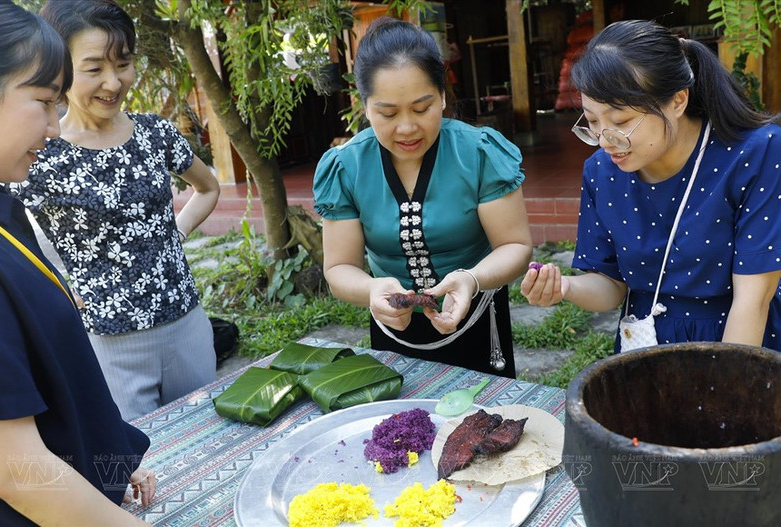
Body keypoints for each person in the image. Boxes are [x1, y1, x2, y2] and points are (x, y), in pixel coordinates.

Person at [9, 0, 220, 420]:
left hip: (186, 324)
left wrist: (174, 233)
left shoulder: (155, 133)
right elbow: (13, 240)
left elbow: (208, 188)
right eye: (93, 68)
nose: (113, 81)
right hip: (108, 343)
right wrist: (62, 285)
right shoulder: (38, 152)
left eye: (123, 63)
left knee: (212, 433)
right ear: (61, 70)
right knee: (129, 464)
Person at [521, 20, 780, 352]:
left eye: (621, 121)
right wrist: (564, 287)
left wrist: (726, 390)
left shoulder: (756, 154)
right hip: (644, 346)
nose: (605, 141)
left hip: (740, 342)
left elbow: (754, 300)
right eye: (592, 121)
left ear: (677, 101)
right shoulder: (601, 171)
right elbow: (610, 286)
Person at [0, 0, 155, 523]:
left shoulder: (3, 208)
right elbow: (16, 470)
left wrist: (109, 460)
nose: (55, 127)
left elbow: (56, 373)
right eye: (43, 100)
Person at [313, 17, 533, 378]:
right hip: (391, 324)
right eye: (387, 113)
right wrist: (370, 289)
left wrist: (471, 280)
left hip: (476, 315)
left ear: (443, 96)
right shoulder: (345, 167)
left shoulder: (478, 152)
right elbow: (339, 268)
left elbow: (516, 246)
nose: (407, 127)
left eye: (421, 108)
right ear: (365, 106)